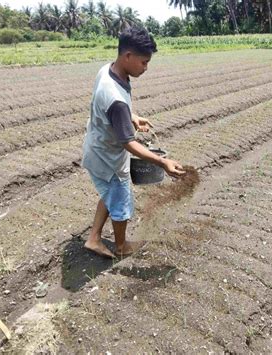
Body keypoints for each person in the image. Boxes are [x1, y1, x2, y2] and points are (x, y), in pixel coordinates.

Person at [82, 27, 185, 258]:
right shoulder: (116, 99)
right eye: (144, 62)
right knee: (121, 203)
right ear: (128, 56)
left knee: (110, 194)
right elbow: (129, 142)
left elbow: (110, 108)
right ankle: (121, 247)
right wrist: (162, 161)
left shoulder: (109, 70)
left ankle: (93, 238)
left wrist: (132, 116)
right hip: (107, 157)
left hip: (98, 145)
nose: (146, 68)